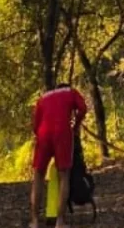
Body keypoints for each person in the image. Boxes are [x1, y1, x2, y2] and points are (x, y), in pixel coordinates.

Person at [30, 83, 88, 228]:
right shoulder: (71, 92)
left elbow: (35, 124)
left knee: (38, 175)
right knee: (64, 176)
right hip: (62, 133)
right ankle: (60, 222)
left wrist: (41, 135)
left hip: (43, 134)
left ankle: (35, 221)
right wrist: (76, 126)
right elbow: (83, 109)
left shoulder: (43, 98)